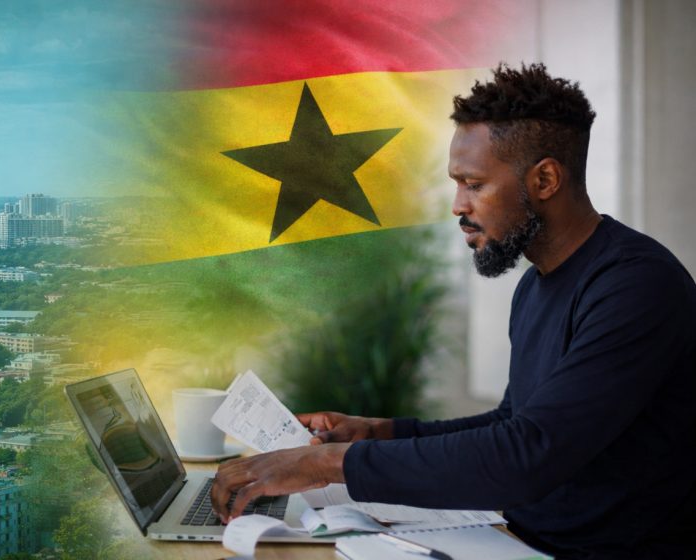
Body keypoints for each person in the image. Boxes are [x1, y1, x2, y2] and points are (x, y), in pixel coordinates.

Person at [210, 63, 696, 559]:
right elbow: (513, 421)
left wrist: (329, 463)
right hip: (518, 537)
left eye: (474, 184)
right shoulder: (537, 284)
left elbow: (527, 457)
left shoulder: (636, 286)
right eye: (457, 184)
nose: (457, 206)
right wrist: (383, 431)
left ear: (545, 178)